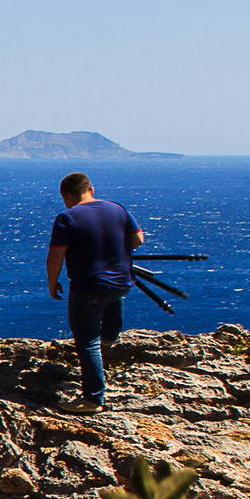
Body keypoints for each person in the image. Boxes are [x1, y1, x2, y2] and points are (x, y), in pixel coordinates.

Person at [46, 172, 143, 410]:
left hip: (88, 287)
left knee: (87, 340)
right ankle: (109, 340)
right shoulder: (118, 209)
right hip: (121, 282)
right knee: (110, 309)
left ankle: (92, 398)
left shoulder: (66, 218)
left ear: (66, 195)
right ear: (91, 188)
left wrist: (52, 282)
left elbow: (55, 258)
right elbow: (138, 239)